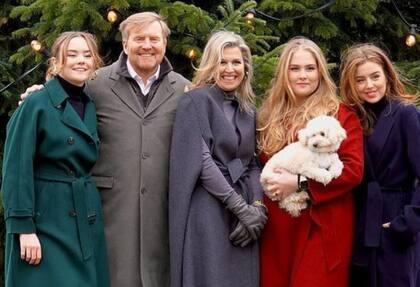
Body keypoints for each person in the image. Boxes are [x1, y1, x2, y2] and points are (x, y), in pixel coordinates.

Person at [20, 12, 189, 287]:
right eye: (139, 39)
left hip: (162, 215)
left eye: (154, 39)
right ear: (125, 44)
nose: (147, 45)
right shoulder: (95, 82)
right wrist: (35, 95)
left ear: (164, 44)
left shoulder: (183, 89)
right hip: (104, 213)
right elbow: (59, 97)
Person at [1, 31, 108, 287]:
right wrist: (23, 228)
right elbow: (16, 168)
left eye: (87, 55)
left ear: (95, 62)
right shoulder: (36, 103)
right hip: (45, 220)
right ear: (56, 62)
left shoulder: (89, 104)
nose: (80, 60)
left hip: (85, 218)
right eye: (72, 55)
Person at [257, 36, 364, 287]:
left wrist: (300, 183)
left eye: (310, 68)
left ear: (320, 72)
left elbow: (353, 171)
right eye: (295, 69)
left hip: (322, 224)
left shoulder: (339, 114)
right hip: (278, 229)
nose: (303, 75)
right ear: (285, 73)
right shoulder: (268, 115)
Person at [169, 30, 267, 287]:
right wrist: (239, 208)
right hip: (209, 210)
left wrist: (257, 207)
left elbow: (253, 164)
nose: (230, 69)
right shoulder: (194, 100)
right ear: (212, 64)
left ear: (245, 68)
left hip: (245, 212)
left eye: (236, 62)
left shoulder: (248, 108)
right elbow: (201, 162)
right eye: (223, 62)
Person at [340, 44, 420, 287]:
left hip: (396, 219)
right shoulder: (351, 117)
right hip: (361, 222)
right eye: (360, 80)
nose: (369, 85)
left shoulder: (405, 113)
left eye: (375, 76)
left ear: (387, 74)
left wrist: (407, 221)